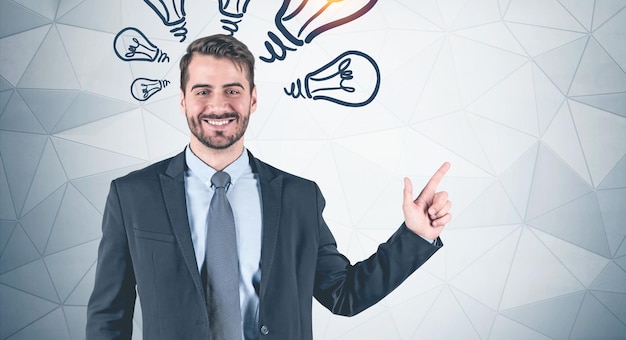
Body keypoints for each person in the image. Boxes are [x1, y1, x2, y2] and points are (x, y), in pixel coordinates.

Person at [86, 34, 452, 340]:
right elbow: (109, 315)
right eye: (202, 91)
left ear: (253, 99)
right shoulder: (133, 195)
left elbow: (344, 295)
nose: (218, 105)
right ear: (182, 100)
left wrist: (415, 236)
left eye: (232, 90)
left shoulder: (298, 197)